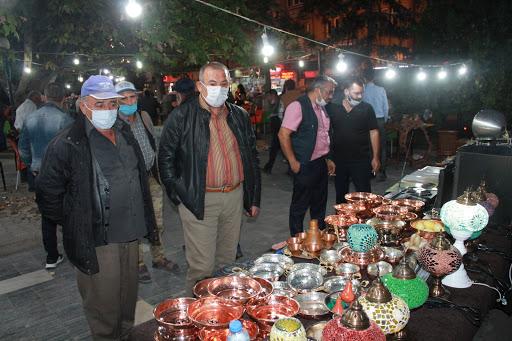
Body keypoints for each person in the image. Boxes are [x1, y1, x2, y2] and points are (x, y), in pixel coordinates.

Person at [36, 75, 158, 340]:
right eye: (99, 104)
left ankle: (126, 334)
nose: (108, 110)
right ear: (83, 105)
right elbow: (47, 195)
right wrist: (78, 222)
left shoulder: (125, 134)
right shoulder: (68, 142)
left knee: (127, 300)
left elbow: (139, 178)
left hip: (131, 234)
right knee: (104, 305)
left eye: (112, 103)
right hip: (99, 242)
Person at [158, 61, 261, 294]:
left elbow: (252, 158)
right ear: (199, 86)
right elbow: (164, 159)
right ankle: (199, 320)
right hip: (199, 199)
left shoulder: (239, 116)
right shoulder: (182, 116)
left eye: (223, 84)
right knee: (202, 268)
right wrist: (180, 196)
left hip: (234, 196)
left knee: (227, 264)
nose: (219, 89)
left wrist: (253, 198)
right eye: (212, 83)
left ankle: (224, 316)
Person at [115, 80, 179, 283]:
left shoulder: (143, 116)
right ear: (116, 101)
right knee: (134, 224)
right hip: (130, 182)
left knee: (157, 222)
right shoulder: (113, 124)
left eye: (131, 97)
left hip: (151, 177)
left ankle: (159, 258)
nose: (128, 101)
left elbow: (153, 141)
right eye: (123, 98)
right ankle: (138, 263)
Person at [18, 83, 74, 269]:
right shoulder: (64, 119)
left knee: (47, 214)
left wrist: (32, 165)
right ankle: (74, 252)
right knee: (68, 211)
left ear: (44, 97)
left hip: (38, 172)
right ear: (63, 98)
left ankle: (51, 256)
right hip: (60, 174)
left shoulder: (30, 118)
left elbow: (23, 147)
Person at [278, 76, 337, 237]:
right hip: (304, 164)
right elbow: (283, 134)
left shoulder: (321, 107)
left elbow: (323, 135)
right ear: (318, 90)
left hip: (319, 163)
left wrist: (328, 158)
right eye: (329, 92)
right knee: (300, 206)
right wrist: (292, 161)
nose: (331, 96)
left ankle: (316, 238)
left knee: (319, 205)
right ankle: (296, 240)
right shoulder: (297, 106)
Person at [326, 77, 381, 204]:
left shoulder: (367, 109)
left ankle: (365, 222)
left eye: (362, 93)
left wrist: (376, 157)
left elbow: (374, 132)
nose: (360, 96)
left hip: (361, 159)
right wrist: (329, 157)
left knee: (364, 195)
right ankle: (341, 221)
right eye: (356, 93)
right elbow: (326, 133)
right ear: (346, 92)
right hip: (339, 160)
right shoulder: (333, 108)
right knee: (341, 195)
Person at [363, 67, 389, 181]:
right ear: (374, 77)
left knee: (368, 147)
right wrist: (385, 119)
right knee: (382, 147)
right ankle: (382, 172)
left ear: (364, 78)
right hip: (379, 120)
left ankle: (370, 171)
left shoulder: (362, 91)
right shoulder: (381, 89)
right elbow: (386, 107)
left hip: (366, 121)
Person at [262, 89, 284, 174]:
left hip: (279, 127)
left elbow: (279, 115)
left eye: (268, 96)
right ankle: (268, 167)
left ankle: (268, 167)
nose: (267, 98)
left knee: (275, 148)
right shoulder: (276, 102)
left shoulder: (278, 102)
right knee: (277, 148)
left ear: (273, 95)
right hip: (279, 128)